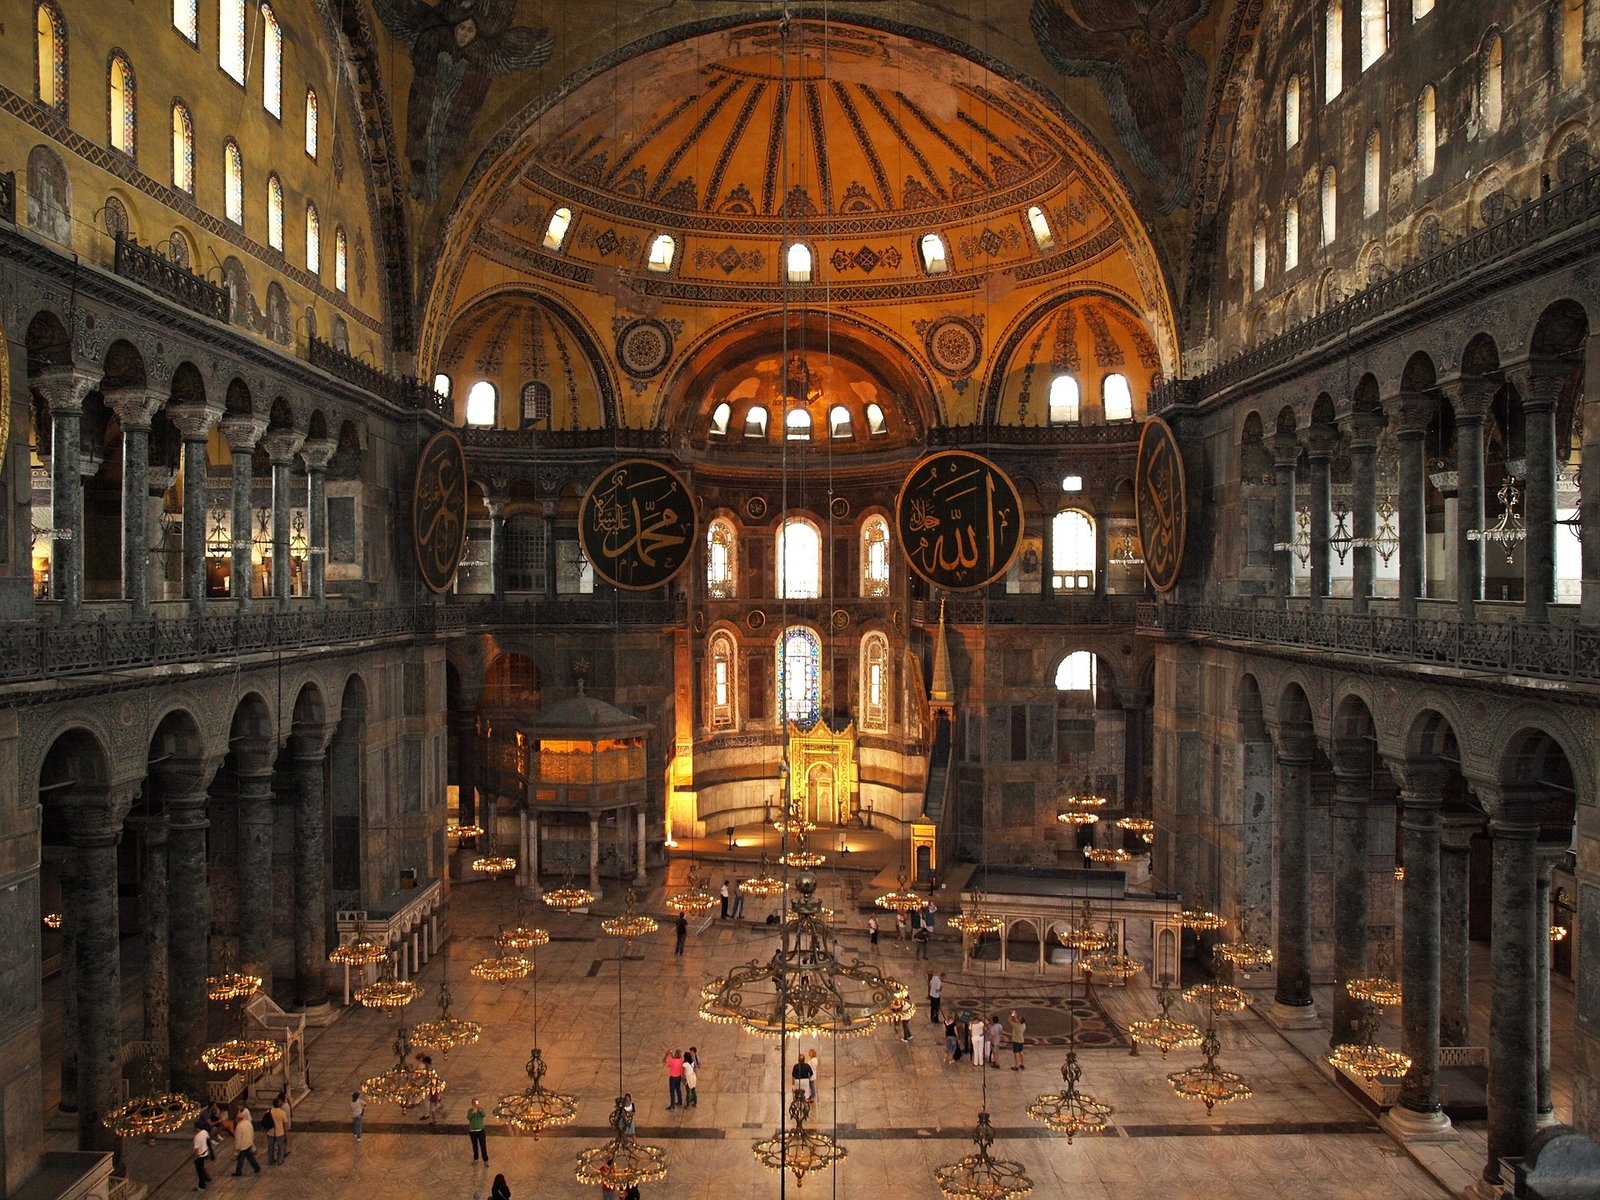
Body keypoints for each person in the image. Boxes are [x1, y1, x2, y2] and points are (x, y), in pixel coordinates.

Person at [231, 1105, 260, 1176]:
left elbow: (238, 1140)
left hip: (242, 1146)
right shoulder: (248, 1123)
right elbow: (252, 1134)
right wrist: (253, 1146)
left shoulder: (239, 1127)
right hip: (249, 1143)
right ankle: (257, 1167)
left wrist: (236, 1152)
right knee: (250, 1157)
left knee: (240, 1159)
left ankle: (238, 1172)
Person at [267, 1093, 290, 1164]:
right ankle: (280, 1161)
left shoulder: (269, 1111)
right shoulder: (282, 1112)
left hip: (270, 1132)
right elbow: (285, 1123)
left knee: (271, 1146)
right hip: (279, 1132)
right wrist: (286, 1133)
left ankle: (270, 1160)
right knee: (281, 1146)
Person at [467, 1097, 488, 1162]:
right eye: (474, 1103)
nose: (475, 1104)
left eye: (477, 1103)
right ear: (472, 1104)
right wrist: (473, 1112)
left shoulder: (480, 1110)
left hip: (480, 1131)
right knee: (474, 1145)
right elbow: (468, 1117)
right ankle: (476, 1158)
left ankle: (485, 1160)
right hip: (472, 1131)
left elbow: (484, 1115)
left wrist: (479, 1110)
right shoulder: (470, 1110)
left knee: (483, 1145)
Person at [193, 1120, 212, 1191]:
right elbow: (208, 1140)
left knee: (199, 1171)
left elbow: (196, 1149)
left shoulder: (197, 1137)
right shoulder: (205, 1132)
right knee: (202, 1168)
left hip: (200, 1155)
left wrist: (195, 1156)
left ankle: (202, 1186)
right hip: (205, 1153)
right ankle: (207, 1178)